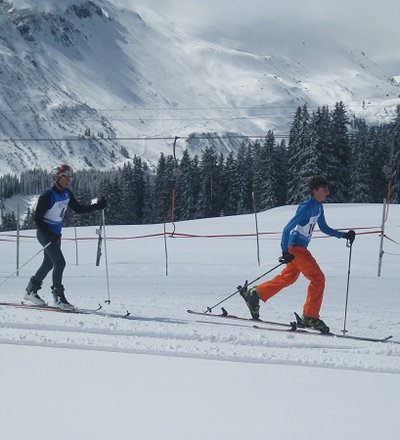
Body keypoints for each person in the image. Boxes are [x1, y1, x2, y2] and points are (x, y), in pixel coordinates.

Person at [239, 175, 355, 333]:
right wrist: (285, 251)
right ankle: (310, 316)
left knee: (288, 277)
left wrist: (344, 235)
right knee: (318, 279)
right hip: (296, 248)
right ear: (315, 190)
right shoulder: (306, 207)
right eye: (324, 189)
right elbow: (287, 229)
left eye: (327, 189)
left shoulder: (319, 207)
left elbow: (324, 228)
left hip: (298, 247)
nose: (327, 192)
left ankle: (254, 294)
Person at [23, 164, 107, 310]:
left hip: (55, 234)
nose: (68, 180)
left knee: (48, 264)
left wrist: (97, 206)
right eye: (65, 177)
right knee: (60, 263)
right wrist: (48, 234)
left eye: (70, 177)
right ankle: (58, 298)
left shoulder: (67, 193)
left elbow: (79, 209)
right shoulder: (48, 195)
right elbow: (37, 218)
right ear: (57, 178)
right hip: (45, 234)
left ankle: (31, 291)